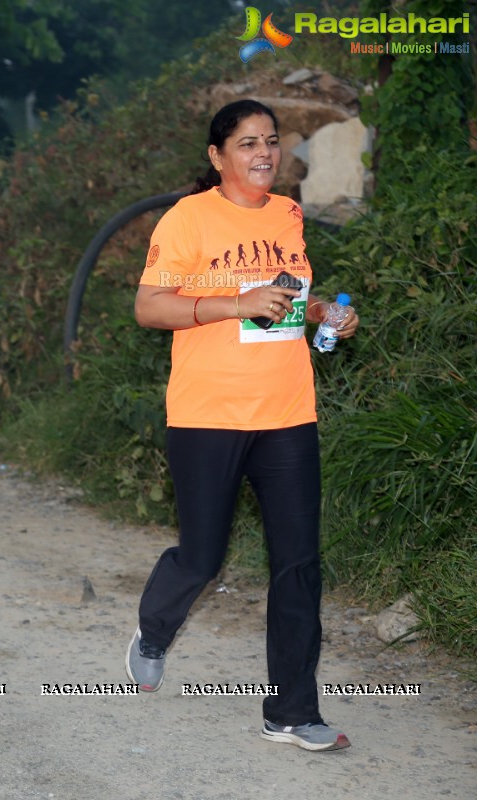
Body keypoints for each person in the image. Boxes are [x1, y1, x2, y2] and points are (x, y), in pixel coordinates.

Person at [126, 99, 360, 751]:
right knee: (202, 556)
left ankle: (291, 711)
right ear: (217, 156)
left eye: (271, 141)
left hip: (287, 411)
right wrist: (234, 303)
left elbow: (286, 294)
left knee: (299, 564)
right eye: (247, 142)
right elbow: (150, 307)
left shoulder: (288, 213)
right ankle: (154, 629)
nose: (263, 153)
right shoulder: (188, 218)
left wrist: (321, 313)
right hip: (208, 414)